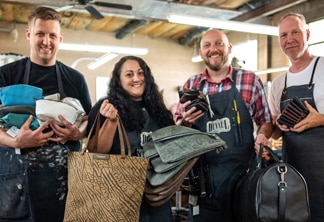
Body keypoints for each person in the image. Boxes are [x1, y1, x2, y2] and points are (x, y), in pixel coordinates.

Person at [0, 6, 92, 222]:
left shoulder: (75, 79)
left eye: (52, 35)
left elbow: (88, 121)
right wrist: (15, 141)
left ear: (60, 38)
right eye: (40, 33)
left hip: (63, 187)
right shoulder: (6, 75)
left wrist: (77, 134)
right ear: (29, 34)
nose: (46, 41)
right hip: (14, 186)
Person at [174, 29, 273, 222]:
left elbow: (266, 121)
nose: (213, 49)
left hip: (243, 181)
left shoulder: (250, 80)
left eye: (219, 43)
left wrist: (262, 136)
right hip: (204, 184)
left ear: (229, 48)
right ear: (201, 52)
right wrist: (185, 120)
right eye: (207, 45)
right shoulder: (191, 85)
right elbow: (176, 130)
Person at [86, 55, 175, 222]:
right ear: (118, 80)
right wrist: (112, 121)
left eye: (141, 73)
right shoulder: (106, 106)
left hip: (156, 197)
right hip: (119, 196)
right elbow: (96, 151)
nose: (136, 78)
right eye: (129, 74)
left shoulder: (158, 109)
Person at [268, 12, 324, 222]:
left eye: (295, 32)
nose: (289, 39)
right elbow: (275, 128)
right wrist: (265, 134)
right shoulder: (277, 84)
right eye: (283, 35)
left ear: (307, 34)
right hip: (291, 176)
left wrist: (320, 119)